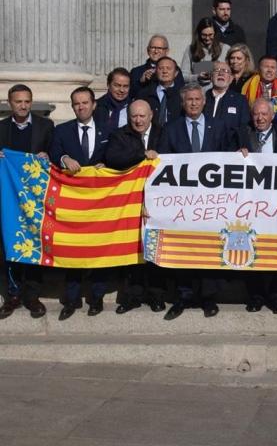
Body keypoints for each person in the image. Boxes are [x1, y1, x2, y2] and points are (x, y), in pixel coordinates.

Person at [156, 82, 237, 320]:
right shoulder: (171, 129)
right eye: (189, 100)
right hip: (182, 203)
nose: (193, 103)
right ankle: (183, 296)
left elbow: (228, 158)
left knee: (210, 247)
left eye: (197, 99)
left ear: (204, 102)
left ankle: (208, 298)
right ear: (183, 103)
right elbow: (163, 163)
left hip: (211, 203)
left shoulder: (219, 126)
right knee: (184, 247)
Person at [49, 87, 111, 320]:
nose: (81, 107)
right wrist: (64, 158)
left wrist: (107, 164)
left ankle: (96, 298)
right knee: (72, 252)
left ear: (94, 104)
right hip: (72, 204)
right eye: (77, 104)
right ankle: (72, 300)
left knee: (99, 252)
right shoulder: (62, 130)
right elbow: (54, 151)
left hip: (100, 203)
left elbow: (116, 154)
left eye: (85, 102)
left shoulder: (108, 129)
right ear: (72, 106)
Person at [105, 100, 168, 314]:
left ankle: (157, 296)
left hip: (160, 202)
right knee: (133, 251)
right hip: (130, 202)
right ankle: (132, 297)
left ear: (151, 115)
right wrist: (142, 156)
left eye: (142, 116)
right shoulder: (119, 134)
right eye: (134, 116)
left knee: (155, 248)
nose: (138, 120)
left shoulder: (165, 132)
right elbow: (113, 158)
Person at [238, 98, 277, 314]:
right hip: (249, 204)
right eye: (256, 114)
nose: (260, 118)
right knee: (249, 246)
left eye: (264, 114)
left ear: (272, 116)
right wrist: (235, 155)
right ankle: (255, 295)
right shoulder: (242, 134)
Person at [0, 85, 53, 320]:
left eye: (27, 101)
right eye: (18, 101)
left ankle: (31, 296)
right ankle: (12, 295)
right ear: (10, 103)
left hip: (34, 198)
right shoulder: (0, 128)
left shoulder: (46, 126)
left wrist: (47, 156)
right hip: (8, 199)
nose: (23, 105)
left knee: (33, 243)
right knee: (9, 244)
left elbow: (54, 154)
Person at [204, 60, 251, 139]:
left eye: (225, 71)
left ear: (231, 78)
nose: (221, 73)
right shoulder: (201, 98)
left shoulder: (240, 101)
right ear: (211, 77)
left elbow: (244, 128)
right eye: (217, 70)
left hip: (229, 149)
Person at [241, 56, 277, 124]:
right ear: (258, 69)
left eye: (273, 67)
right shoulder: (246, 86)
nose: (269, 70)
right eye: (266, 67)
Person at [181, 17, 227, 85]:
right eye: (204, 35)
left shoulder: (225, 49)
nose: (207, 38)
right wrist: (197, 77)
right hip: (197, 91)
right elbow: (183, 76)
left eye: (210, 35)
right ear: (199, 34)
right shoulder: (190, 49)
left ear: (215, 33)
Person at [140, 56, 183, 127]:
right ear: (156, 71)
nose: (165, 71)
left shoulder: (183, 94)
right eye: (161, 68)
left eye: (168, 68)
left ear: (176, 73)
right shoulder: (145, 94)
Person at [93, 67, 132, 135]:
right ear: (108, 85)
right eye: (117, 85)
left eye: (125, 86)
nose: (121, 90)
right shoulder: (96, 106)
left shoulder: (134, 107)